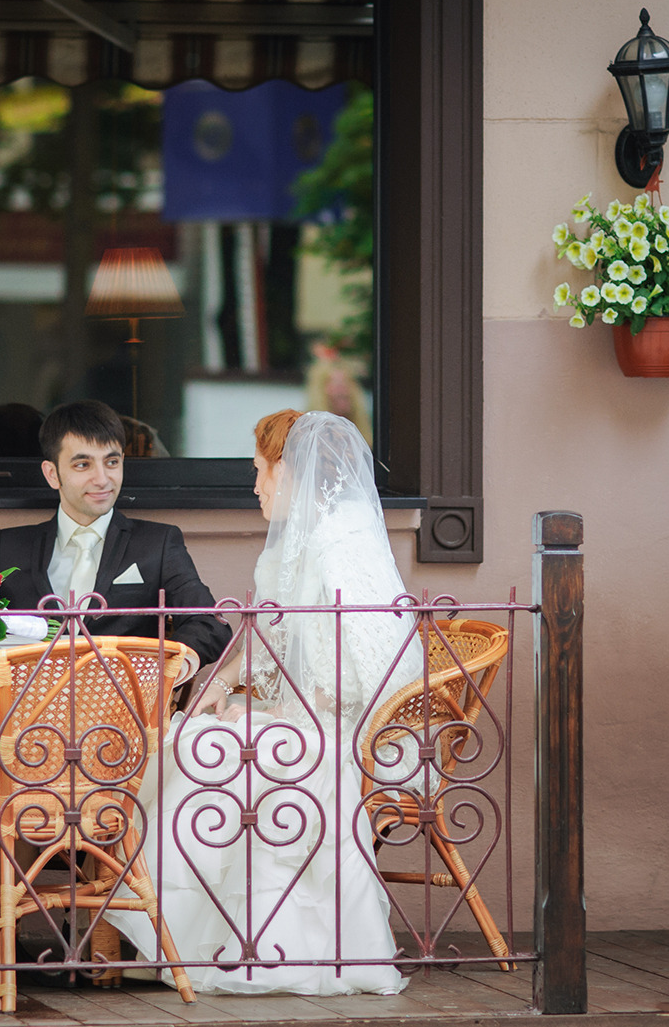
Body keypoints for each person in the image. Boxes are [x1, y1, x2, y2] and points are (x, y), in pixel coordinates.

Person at [105, 408, 423, 996]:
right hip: (307, 719)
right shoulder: (293, 548)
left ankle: (249, 944)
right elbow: (273, 641)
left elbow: (358, 677)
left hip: (351, 730)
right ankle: (187, 932)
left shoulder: (340, 548)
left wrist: (277, 714)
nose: (254, 486)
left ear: (291, 472)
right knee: (193, 737)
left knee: (231, 753)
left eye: (260, 471)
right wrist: (223, 688)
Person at [0, 400, 232, 672]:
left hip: (125, 707)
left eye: (111, 462)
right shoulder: (7, 548)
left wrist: (161, 673)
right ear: (52, 474)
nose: (102, 479)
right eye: (83, 465)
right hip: (27, 707)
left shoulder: (158, 543)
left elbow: (210, 624)